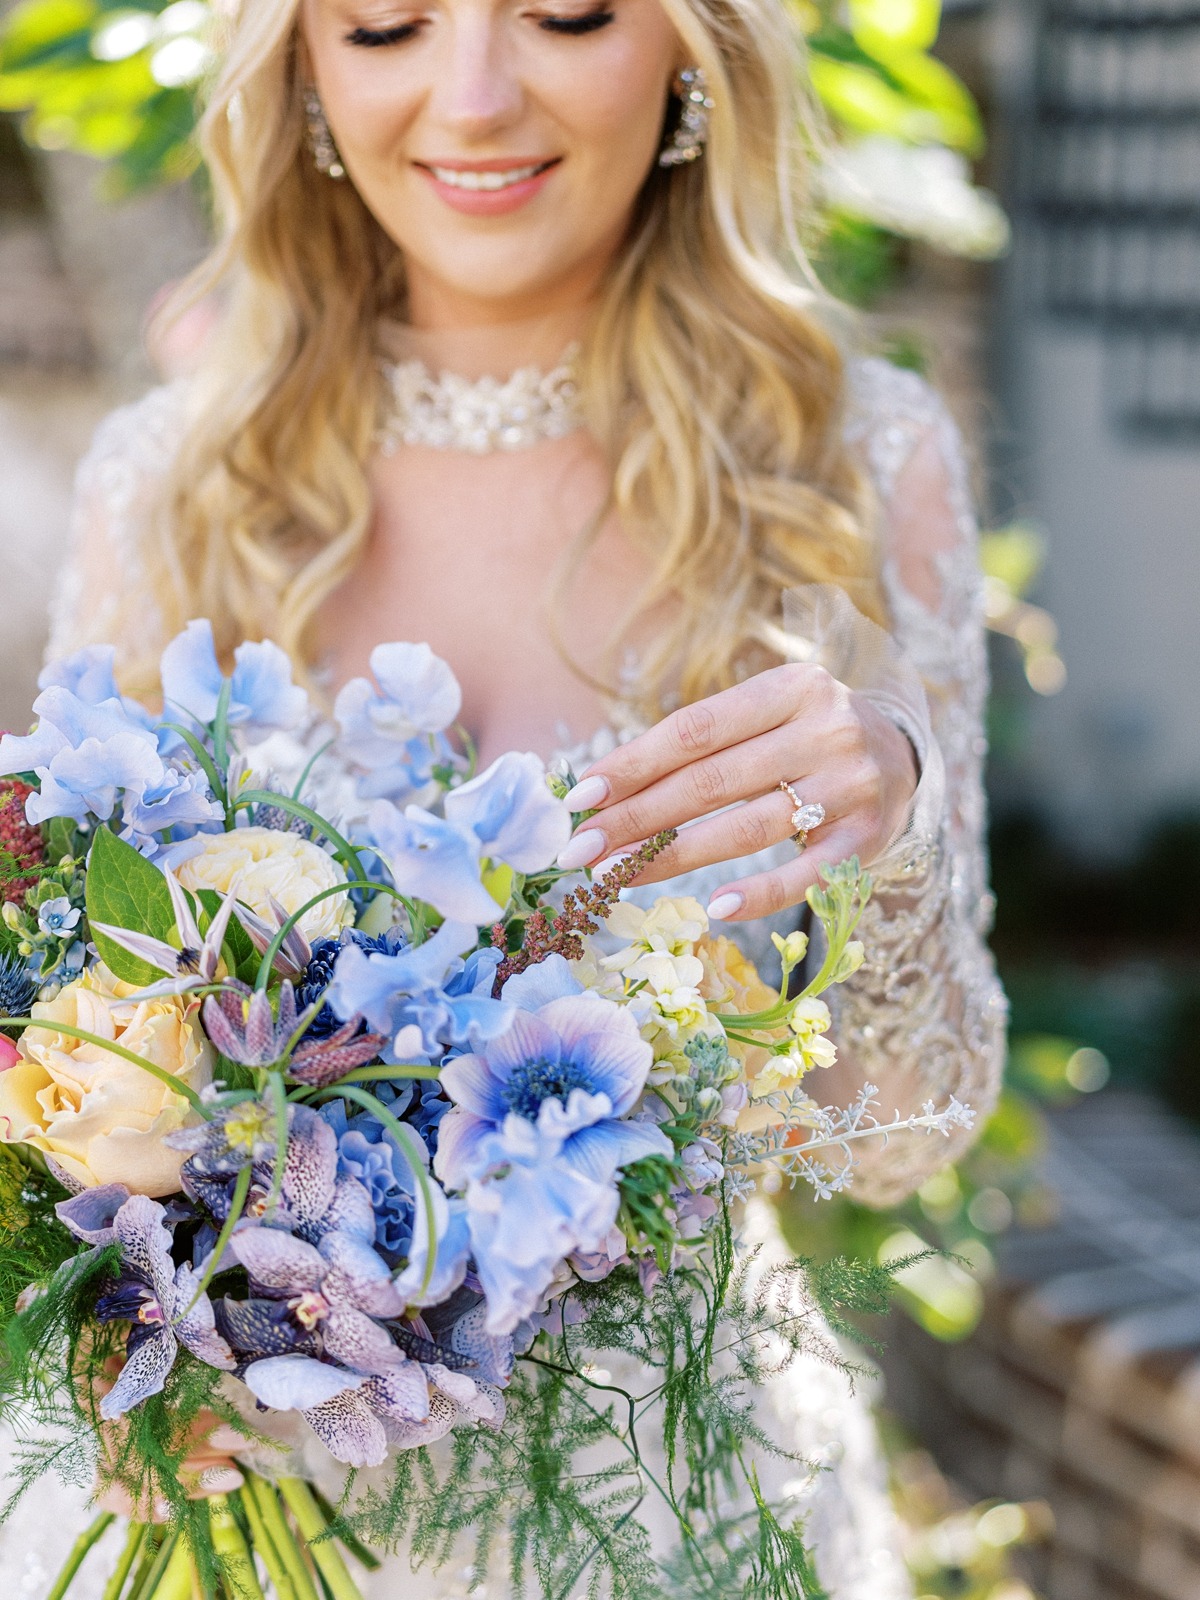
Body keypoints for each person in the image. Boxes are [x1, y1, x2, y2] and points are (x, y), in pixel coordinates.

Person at [18, 0, 1007, 1590]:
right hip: (242, 1512)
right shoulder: (177, 481)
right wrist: (92, 1348)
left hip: (675, 1504)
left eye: (566, 12)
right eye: (389, 22)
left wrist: (895, 835)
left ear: (695, 53)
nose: (471, 98)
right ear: (307, 72)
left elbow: (906, 1142)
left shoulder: (852, 462)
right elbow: (59, 1045)